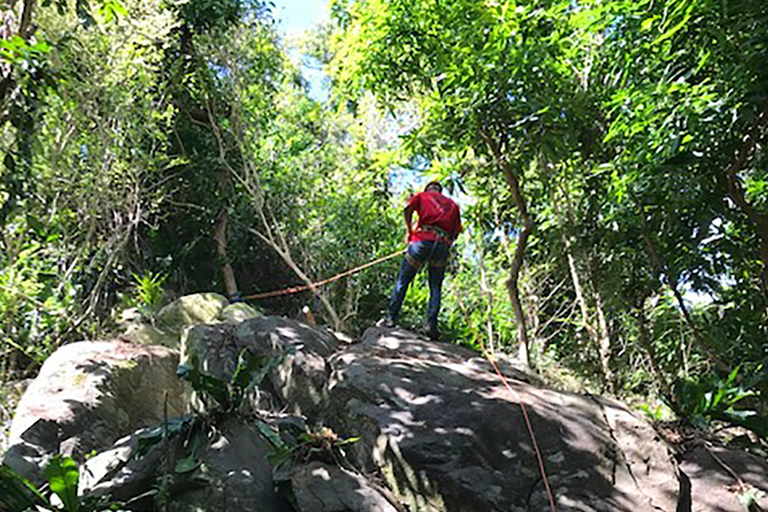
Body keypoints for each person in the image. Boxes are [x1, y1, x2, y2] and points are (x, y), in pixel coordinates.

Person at [380, 181, 462, 340]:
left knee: (403, 280)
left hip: (422, 241)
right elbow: (456, 232)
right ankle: (431, 324)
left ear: (428, 189)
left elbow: (407, 209)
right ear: (440, 191)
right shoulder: (452, 205)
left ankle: (391, 318)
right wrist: (447, 243)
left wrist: (409, 231)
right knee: (435, 286)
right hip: (441, 244)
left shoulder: (422, 196)